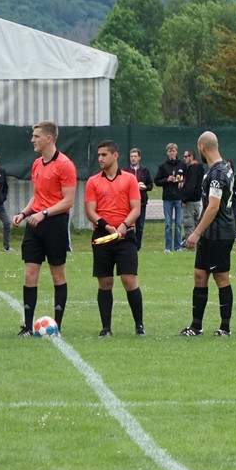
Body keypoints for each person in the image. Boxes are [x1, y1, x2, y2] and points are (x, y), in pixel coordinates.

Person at [12, 120, 77, 337]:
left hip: (55, 224)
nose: (32, 140)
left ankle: (57, 326)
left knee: (57, 275)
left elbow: (68, 201)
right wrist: (24, 213)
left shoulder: (65, 165)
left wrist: (44, 213)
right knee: (30, 274)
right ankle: (27, 327)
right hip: (35, 224)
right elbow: (37, 195)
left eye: (36, 136)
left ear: (49, 138)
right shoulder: (37, 164)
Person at [177, 132, 236, 337]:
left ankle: (225, 328)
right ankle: (196, 327)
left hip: (219, 233)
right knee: (200, 275)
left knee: (221, 277)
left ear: (201, 148)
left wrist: (196, 233)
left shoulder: (218, 173)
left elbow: (213, 206)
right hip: (209, 232)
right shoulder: (219, 169)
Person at [85, 140, 145, 337]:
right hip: (102, 236)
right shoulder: (93, 181)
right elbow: (90, 211)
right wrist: (107, 226)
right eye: (99, 155)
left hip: (125, 236)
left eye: (104, 155)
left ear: (115, 155)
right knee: (105, 282)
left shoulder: (129, 179)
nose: (100, 158)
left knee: (129, 279)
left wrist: (123, 226)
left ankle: (139, 326)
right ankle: (106, 328)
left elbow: (136, 209)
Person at [154, 143, 185, 253]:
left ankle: (177, 247)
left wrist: (182, 182)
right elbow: (157, 181)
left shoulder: (182, 165)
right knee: (168, 224)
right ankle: (168, 247)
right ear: (167, 152)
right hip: (167, 198)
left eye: (174, 151)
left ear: (176, 152)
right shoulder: (163, 166)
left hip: (179, 197)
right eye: (170, 151)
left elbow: (186, 179)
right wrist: (167, 180)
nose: (172, 153)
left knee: (178, 224)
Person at [124, 147, 153, 251]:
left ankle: (137, 247)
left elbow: (150, 185)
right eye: (131, 156)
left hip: (141, 203)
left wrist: (145, 187)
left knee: (140, 227)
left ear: (139, 157)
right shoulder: (125, 171)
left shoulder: (145, 171)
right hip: (128, 204)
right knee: (128, 226)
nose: (133, 158)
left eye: (135, 156)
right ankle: (129, 245)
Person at [181, 148, 204, 239]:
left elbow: (191, 186)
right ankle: (198, 242)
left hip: (190, 201)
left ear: (191, 157)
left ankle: (190, 242)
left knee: (189, 224)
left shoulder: (193, 169)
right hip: (197, 200)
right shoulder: (199, 168)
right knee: (196, 223)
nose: (184, 158)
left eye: (186, 156)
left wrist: (184, 199)